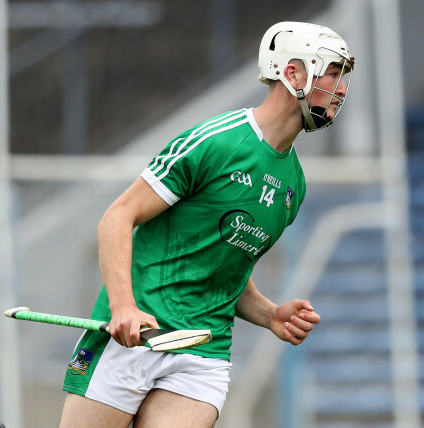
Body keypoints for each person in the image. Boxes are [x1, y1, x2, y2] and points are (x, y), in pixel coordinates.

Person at [59, 21, 354, 428]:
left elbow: (228, 269)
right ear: (292, 73)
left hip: (203, 349)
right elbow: (117, 218)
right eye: (333, 73)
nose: (341, 89)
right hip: (137, 333)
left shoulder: (294, 186)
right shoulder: (215, 142)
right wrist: (124, 305)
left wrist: (270, 315)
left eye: (343, 77)